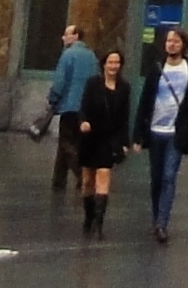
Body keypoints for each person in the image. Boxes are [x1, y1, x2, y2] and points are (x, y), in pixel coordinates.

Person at [136, 25, 188, 243]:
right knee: (156, 178)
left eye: (176, 41)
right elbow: (144, 102)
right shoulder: (156, 69)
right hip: (154, 131)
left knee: (169, 176)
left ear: (184, 45)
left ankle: (162, 224)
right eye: (169, 41)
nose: (172, 44)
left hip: (175, 134)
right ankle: (156, 216)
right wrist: (137, 135)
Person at [69, 41, 131, 236]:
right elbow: (83, 107)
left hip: (109, 139)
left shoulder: (125, 88)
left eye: (117, 63)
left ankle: (99, 224)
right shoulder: (92, 83)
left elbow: (124, 117)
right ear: (103, 64)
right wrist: (83, 122)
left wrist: (124, 142)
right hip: (90, 137)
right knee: (88, 180)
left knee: (103, 177)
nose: (114, 66)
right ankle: (88, 216)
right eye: (110, 62)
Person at [43, 21, 98, 196]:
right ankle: (58, 180)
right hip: (86, 107)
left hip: (70, 105)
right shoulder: (91, 56)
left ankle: (82, 175)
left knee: (67, 142)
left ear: (75, 36)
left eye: (67, 34)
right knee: (71, 143)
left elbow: (60, 81)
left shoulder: (68, 55)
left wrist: (53, 99)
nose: (63, 37)